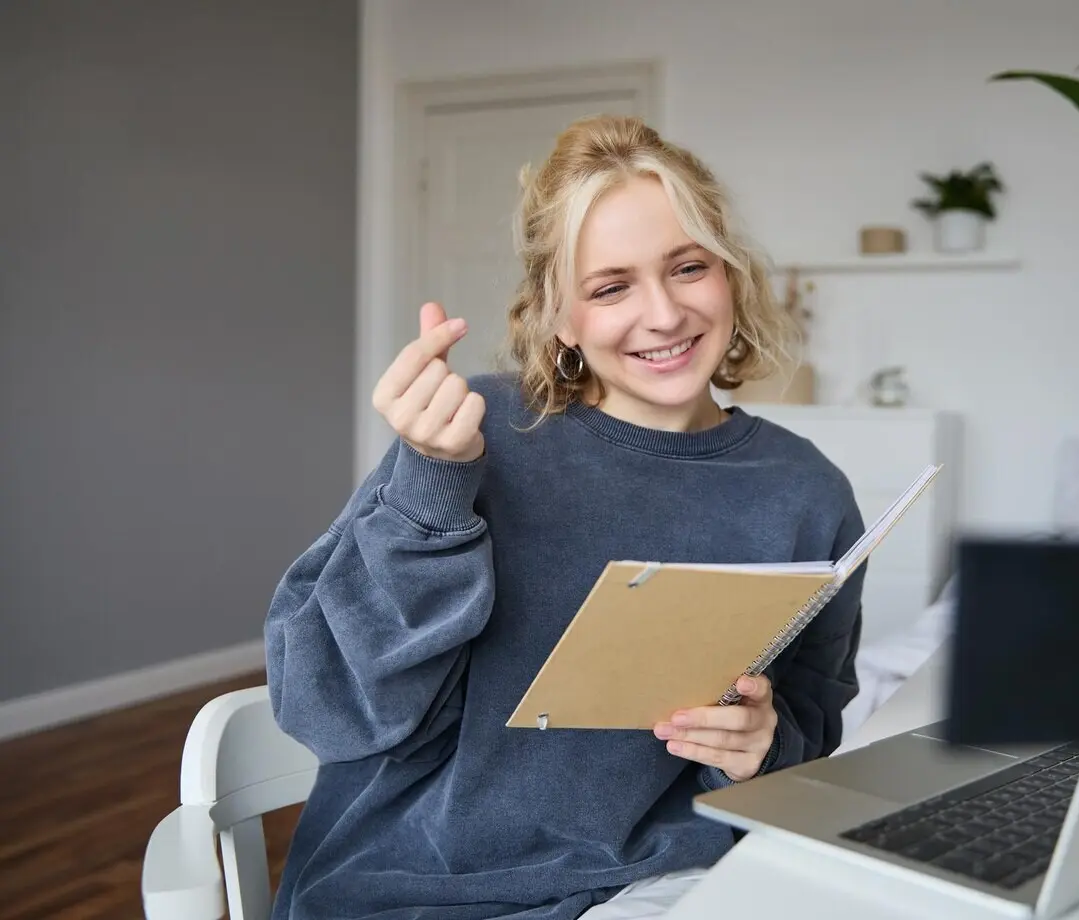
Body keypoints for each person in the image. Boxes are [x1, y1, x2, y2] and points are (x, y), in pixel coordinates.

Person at [264, 114, 868, 920]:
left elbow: (809, 721)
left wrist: (763, 744)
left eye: (688, 268)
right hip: (422, 891)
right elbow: (325, 706)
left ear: (730, 275)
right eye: (611, 286)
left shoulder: (808, 491)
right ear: (558, 317)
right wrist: (432, 494)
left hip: (663, 882)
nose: (663, 314)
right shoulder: (473, 431)